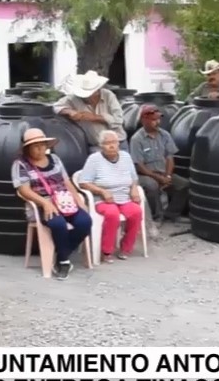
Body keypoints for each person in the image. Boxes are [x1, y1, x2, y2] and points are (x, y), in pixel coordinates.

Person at [12, 128, 92, 280]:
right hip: (42, 204)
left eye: (43, 144)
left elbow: (66, 182)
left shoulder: (55, 159)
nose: (41, 148)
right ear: (27, 148)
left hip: (65, 202)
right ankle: (63, 262)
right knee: (58, 224)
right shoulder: (20, 165)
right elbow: (24, 190)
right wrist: (45, 203)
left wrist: (79, 200)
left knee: (85, 221)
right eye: (36, 146)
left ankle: (62, 254)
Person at [78, 130, 144, 263]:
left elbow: (134, 178)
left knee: (136, 212)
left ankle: (126, 247)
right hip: (103, 199)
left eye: (114, 142)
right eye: (107, 143)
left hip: (124, 197)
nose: (112, 146)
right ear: (100, 146)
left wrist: (134, 189)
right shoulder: (94, 159)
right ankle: (107, 251)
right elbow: (83, 182)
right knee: (112, 214)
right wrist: (102, 191)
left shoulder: (125, 156)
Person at [129, 105, 190, 222]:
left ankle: (172, 213)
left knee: (184, 184)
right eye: (153, 120)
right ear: (144, 120)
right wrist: (157, 177)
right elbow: (139, 165)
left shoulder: (165, 135)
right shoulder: (137, 139)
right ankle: (157, 217)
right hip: (145, 174)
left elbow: (169, 157)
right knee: (152, 185)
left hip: (163, 172)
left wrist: (167, 176)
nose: (157, 122)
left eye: (158, 119)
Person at [54, 70, 127, 152]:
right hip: (96, 146)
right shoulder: (74, 97)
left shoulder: (109, 95)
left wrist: (95, 117)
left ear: (97, 91)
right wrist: (70, 112)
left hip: (118, 143)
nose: (85, 97)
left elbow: (118, 121)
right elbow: (56, 106)